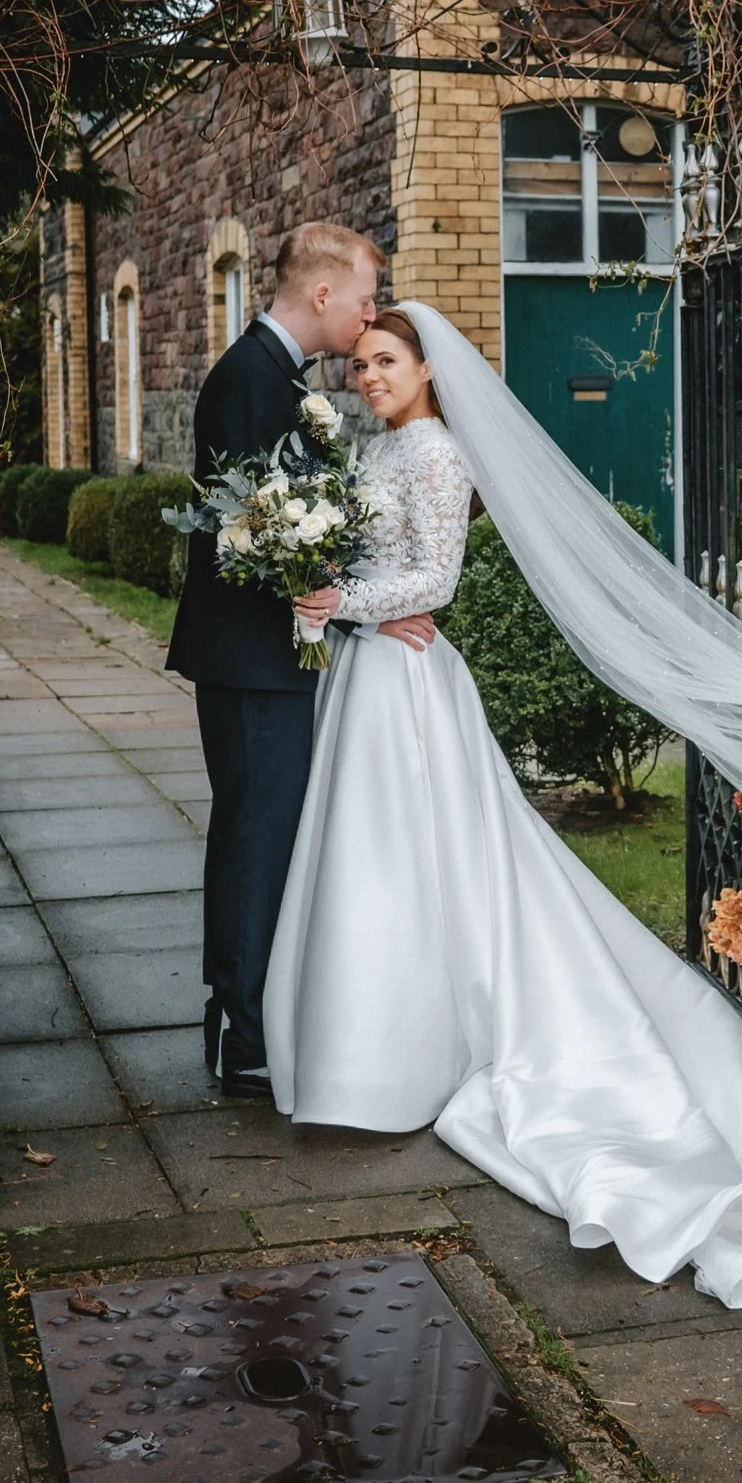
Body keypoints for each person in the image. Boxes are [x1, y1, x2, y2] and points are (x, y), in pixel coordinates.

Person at [264, 306, 742, 1308]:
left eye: (384, 361)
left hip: (408, 682)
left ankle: (405, 1055)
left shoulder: (440, 453)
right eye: (359, 362)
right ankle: (364, 1055)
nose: (366, 376)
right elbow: (377, 569)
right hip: (371, 675)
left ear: (427, 370)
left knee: (414, 859)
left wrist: (339, 599)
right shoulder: (378, 446)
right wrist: (321, 583)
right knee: (375, 866)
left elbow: (437, 579)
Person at [166, 222, 428, 1097]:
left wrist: (355, 608)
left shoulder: (272, 379)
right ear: (322, 296)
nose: (364, 322)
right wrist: (355, 612)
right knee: (253, 836)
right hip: (249, 661)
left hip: (267, 659)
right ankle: (239, 1035)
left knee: (263, 834)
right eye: (360, 302)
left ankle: (249, 1016)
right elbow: (261, 543)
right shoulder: (249, 383)